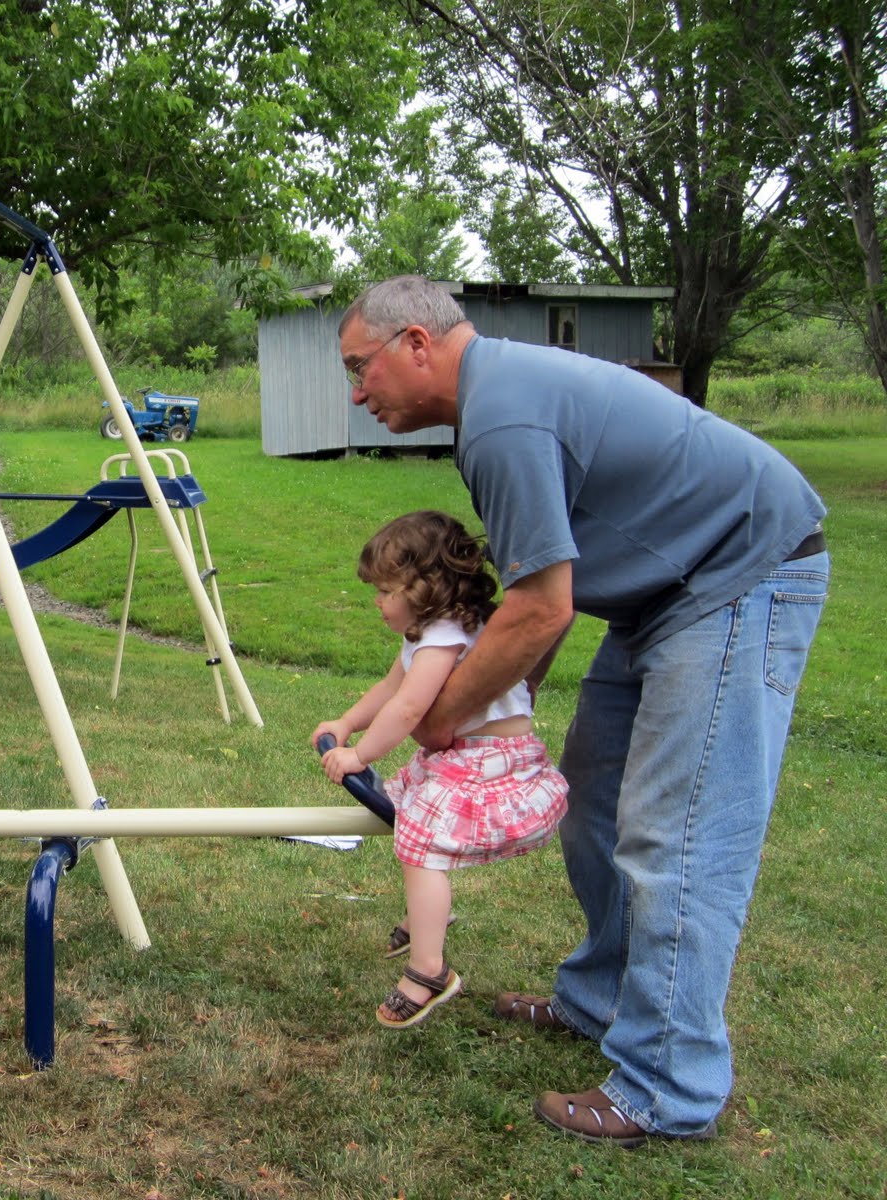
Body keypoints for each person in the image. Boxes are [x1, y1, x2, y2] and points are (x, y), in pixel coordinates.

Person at [336, 276, 828, 1145]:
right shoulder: (496, 404)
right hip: (658, 598)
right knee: (593, 804)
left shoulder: (503, 417)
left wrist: (445, 720)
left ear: (416, 343)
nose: (355, 393)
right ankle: (600, 1000)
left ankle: (665, 1089)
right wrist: (500, 702)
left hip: (736, 576)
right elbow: (536, 594)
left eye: (360, 369)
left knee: (674, 838)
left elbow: (541, 609)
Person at [313, 511, 568, 1030]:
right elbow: (389, 689)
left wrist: (360, 757)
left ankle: (429, 970)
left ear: (425, 587)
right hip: (462, 757)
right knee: (408, 814)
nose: (377, 602)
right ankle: (425, 916)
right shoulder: (426, 634)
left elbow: (409, 710)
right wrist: (346, 722)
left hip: (492, 765)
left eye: (386, 590)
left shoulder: (444, 637)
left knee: (422, 840)